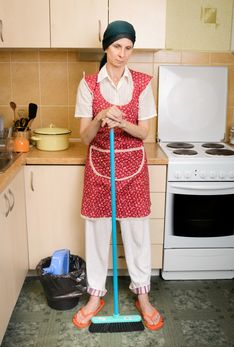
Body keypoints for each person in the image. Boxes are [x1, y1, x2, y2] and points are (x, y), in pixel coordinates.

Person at [73, 20, 164, 331]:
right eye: (117, 47)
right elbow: (84, 138)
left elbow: (145, 134)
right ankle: (96, 296)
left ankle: (143, 296)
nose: (123, 54)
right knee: (98, 235)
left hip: (133, 169)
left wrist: (123, 122)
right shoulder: (88, 85)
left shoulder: (141, 83)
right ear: (106, 47)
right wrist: (100, 117)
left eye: (128, 48)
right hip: (100, 166)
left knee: (137, 236)